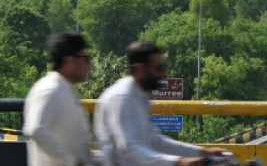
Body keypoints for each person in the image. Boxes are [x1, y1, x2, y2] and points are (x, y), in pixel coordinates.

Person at [94, 40, 229, 166]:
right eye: (159, 68)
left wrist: (203, 152)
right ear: (140, 69)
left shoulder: (139, 96)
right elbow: (130, 149)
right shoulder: (122, 98)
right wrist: (179, 162)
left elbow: (156, 141)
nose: (164, 73)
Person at [23, 32, 97, 166]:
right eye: (86, 58)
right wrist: (72, 162)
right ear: (68, 60)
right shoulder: (49, 89)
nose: (90, 65)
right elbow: (36, 130)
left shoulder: (66, 89)